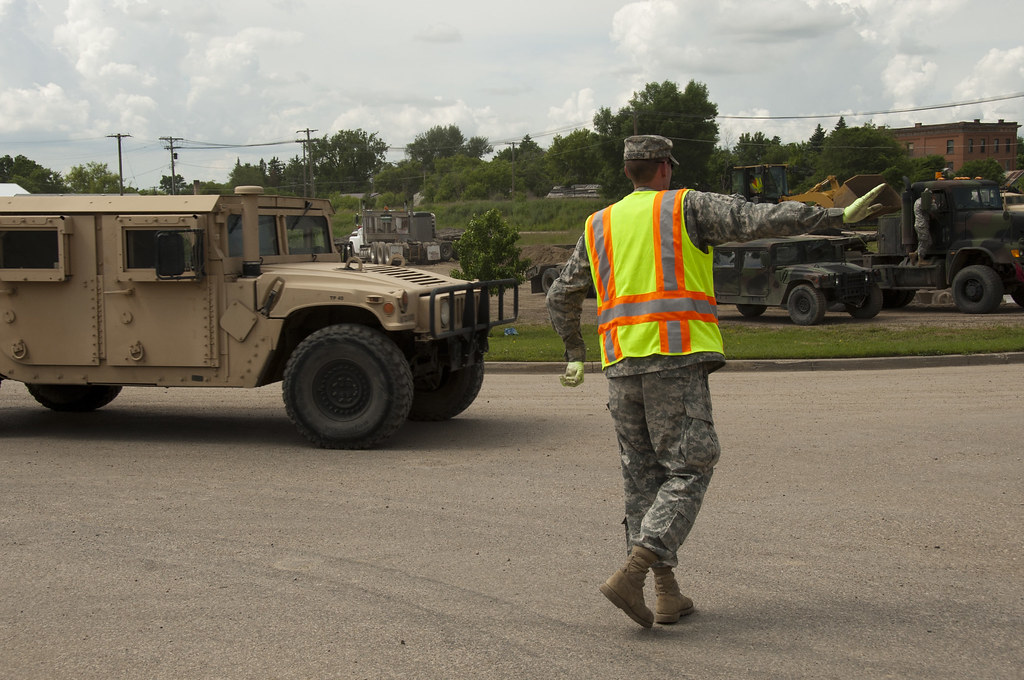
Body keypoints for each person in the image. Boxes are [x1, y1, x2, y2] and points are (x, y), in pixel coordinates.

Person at [545, 134, 885, 629]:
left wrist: (575, 354)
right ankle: (633, 572)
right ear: (664, 168)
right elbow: (758, 218)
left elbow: (559, 296)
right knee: (690, 468)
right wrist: (836, 217)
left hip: (620, 369)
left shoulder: (598, 224)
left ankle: (666, 594)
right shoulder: (687, 208)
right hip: (675, 359)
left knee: (643, 483)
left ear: (627, 173)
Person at [911, 188, 933, 265]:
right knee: (924, 241)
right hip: (921, 224)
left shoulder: (918, 201)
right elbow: (933, 209)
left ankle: (915, 254)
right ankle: (921, 259)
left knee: (928, 242)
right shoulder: (923, 202)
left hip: (921, 224)